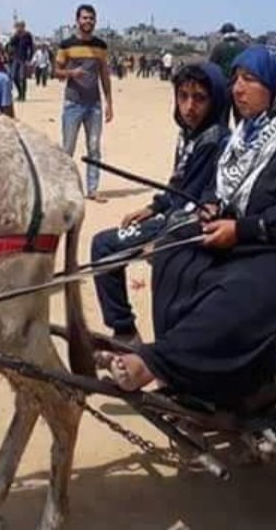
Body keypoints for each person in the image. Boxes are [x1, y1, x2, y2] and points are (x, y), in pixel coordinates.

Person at [99, 46, 276, 405]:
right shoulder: (248, 135)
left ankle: (158, 364)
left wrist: (241, 230)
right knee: (177, 251)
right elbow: (225, 186)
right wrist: (213, 206)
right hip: (268, 243)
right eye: (236, 79)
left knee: (245, 289)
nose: (237, 89)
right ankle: (190, 375)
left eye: (250, 79)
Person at [91, 63, 231, 343]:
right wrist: (152, 208)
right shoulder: (190, 136)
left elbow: (207, 199)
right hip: (171, 219)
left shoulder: (217, 141)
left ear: (215, 101)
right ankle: (125, 332)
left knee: (104, 245)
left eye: (200, 98)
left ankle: (126, 331)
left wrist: (166, 236)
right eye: (183, 96)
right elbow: (177, 186)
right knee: (105, 245)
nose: (189, 107)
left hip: (185, 229)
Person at [55, 4, 113, 202]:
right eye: (84, 18)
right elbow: (56, 72)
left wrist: (109, 103)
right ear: (77, 20)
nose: (88, 21)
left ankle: (92, 189)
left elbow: (104, 74)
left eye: (91, 18)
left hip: (94, 104)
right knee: (68, 148)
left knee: (94, 147)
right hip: (73, 103)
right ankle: (64, 189)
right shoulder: (67, 45)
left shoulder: (101, 46)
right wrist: (72, 73)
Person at [7, 20, 35, 102]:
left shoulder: (27, 35)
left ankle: (23, 95)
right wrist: (15, 35)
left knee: (22, 78)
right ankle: (20, 92)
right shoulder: (16, 35)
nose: (19, 28)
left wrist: (29, 59)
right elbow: (10, 44)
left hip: (24, 59)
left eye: (20, 26)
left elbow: (32, 48)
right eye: (17, 26)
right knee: (14, 77)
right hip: (15, 58)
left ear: (23, 26)